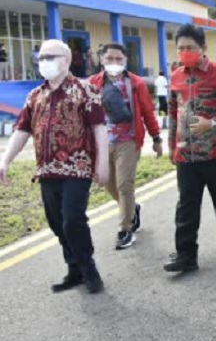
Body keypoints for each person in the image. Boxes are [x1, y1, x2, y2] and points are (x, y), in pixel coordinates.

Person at [0, 39, 109, 294]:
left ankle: (88, 269)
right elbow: (21, 130)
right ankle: (74, 269)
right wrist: (5, 160)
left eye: (51, 56)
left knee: (72, 219)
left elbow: (99, 128)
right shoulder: (35, 95)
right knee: (56, 222)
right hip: (47, 170)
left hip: (77, 168)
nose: (45, 61)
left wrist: (102, 164)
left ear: (67, 60)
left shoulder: (85, 90)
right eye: (42, 57)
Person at [164, 24, 216, 273]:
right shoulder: (176, 76)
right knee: (187, 204)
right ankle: (186, 254)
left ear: (203, 48)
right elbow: (172, 113)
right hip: (186, 154)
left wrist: (213, 122)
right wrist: (171, 145)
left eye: (190, 47)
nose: (185, 52)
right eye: (180, 48)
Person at [89, 43, 163, 249]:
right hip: (102, 144)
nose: (114, 63)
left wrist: (156, 139)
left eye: (118, 59)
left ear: (125, 60)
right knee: (109, 185)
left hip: (128, 142)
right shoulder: (92, 84)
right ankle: (133, 209)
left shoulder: (135, 83)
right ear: (101, 60)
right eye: (109, 59)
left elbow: (148, 112)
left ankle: (125, 230)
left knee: (124, 185)